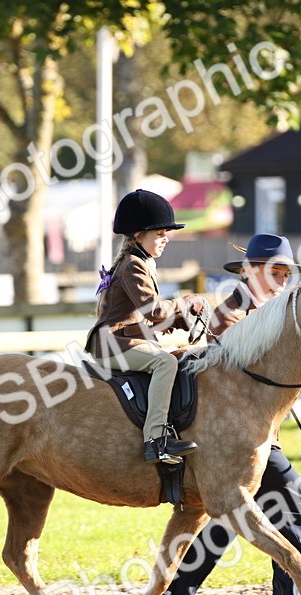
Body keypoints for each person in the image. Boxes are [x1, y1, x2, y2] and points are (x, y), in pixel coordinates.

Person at [143, 234, 301, 595]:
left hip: (258, 441)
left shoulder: (278, 314)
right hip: (228, 441)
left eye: (284, 275)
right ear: (249, 272)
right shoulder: (231, 315)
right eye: (273, 273)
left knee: (231, 525)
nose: (279, 282)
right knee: (291, 516)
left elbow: (295, 371)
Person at [85, 189, 207, 463]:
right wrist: (184, 303)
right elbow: (153, 310)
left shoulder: (141, 261)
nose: (166, 239)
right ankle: (156, 440)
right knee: (165, 363)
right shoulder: (133, 264)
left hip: (122, 338)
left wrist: (174, 321)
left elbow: (138, 318)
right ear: (139, 234)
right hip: (112, 344)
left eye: (167, 233)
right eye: (160, 234)